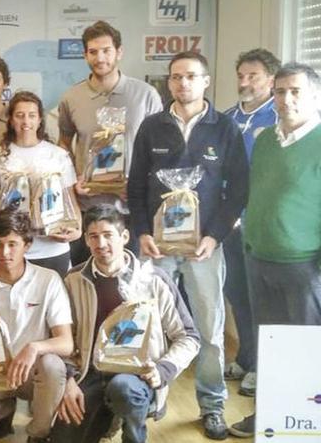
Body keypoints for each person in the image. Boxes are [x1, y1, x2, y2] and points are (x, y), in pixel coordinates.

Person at [127, 51, 248, 440]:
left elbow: (238, 191)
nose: (183, 84)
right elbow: (136, 186)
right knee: (150, 327)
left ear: (206, 81)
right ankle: (150, 396)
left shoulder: (224, 128)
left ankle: (212, 405)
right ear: (169, 82)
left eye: (191, 77)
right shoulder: (152, 127)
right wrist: (143, 231)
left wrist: (214, 236)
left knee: (210, 331)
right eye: (176, 77)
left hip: (204, 249)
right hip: (156, 248)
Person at [50, 205, 199, 443]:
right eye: (94, 237)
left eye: (108, 235)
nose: (101, 244)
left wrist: (163, 369)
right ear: (86, 240)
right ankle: (106, 421)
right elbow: (65, 336)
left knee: (123, 390)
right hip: (91, 373)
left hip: (136, 376)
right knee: (62, 438)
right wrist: (68, 379)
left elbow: (189, 337)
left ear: (125, 237)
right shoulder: (74, 280)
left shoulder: (154, 280)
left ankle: (134, 435)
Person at [229, 63, 321, 438]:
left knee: (306, 353)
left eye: (296, 91)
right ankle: (269, 415)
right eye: (281, 91)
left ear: (315, 95)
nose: (287, 99)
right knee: (270, 352)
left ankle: (306, 424)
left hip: (304, 267)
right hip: (259, 258)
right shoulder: (266, 140)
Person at [0, 209, 73, 442]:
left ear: (27, 245)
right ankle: (5, 409)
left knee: (53, 366)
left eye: (12, 244)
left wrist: (34, 348)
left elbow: (66, 343)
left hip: (32, 371)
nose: (4, 252)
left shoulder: (48, 280)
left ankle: (38, 434)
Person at [57, 21, 163, 264]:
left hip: (132, 207)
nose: (100, 58)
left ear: (119, 52)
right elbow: (63, 143)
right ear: (85, 55)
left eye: (106, 50)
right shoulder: (71, 97)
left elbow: (158, 150)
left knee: (132, 281)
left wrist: (142, 184)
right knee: (87, 278)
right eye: (93, 52)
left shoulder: (145, 94)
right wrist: (73, 181)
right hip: (87, 206)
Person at [220, 48, 280, 397]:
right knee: (236, 294)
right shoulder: (227, 118)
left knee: (261, 299)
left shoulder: (277, 118)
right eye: (241, 74)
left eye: (253, 75)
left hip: (258, 226)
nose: (244, 81)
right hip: (227, 225)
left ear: (271, 79)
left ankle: (262, 365)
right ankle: (244, 356)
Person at [0, 91, 81, 278]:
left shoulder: (58, 155)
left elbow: (71, 202)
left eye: (32, 115)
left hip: (52, 249)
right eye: (19, 115)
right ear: (10, 120)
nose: (26, 121)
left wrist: (77, 231)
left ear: (40, 120)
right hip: (9, 252)